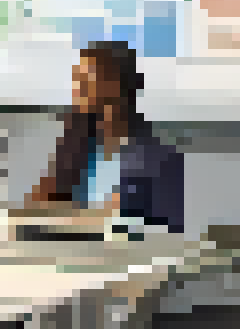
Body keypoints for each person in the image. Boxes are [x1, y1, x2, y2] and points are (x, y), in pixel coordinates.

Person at [26, 41, 184, 233]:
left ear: (115, 84)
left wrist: (114, 219)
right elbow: (35, 212)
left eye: (86, 78)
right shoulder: (76, 147)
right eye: (77, 78)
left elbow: (170, 232)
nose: (77, 88)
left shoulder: (160, 158)